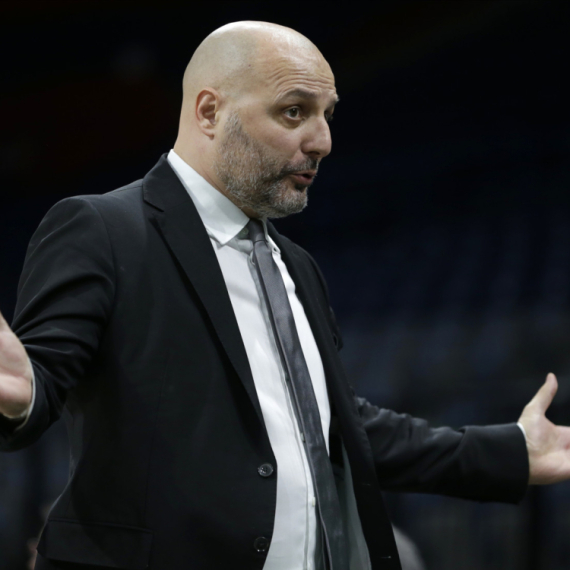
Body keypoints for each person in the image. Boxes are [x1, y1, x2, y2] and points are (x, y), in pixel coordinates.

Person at [0, 21, 568, 570]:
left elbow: (338, 429)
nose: (322, 141)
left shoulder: (296, 264)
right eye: (294, 111)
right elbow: (39, 380)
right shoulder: (100, 228)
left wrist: (510, 453)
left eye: (327, 115)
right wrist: (24, 396)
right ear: (209, 112)